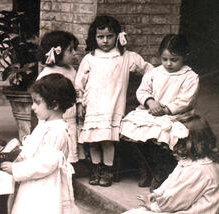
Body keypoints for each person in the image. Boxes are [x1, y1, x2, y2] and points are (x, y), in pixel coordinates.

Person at [75, 15, 154, 187]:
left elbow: (149, 70)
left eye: (109, 36)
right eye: (100, 37)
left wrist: (149, 90)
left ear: (118, 36)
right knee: (93, 141)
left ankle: (108, 170)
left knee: (107, 140)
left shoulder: (126, 57)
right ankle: (96, 168)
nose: (104, 41)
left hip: (112, 105)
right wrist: (80, 102)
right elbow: (79, 83)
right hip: (93, 106)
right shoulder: (90, 58)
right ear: (94, 37)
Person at [120, 34, 199, 189]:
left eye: (174, 60)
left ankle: (159, 171)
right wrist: (150, 101)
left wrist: (165, 109)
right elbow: (142, 91)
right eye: (165, 59)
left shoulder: (190, 76)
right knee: (130, 126)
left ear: (185, 57)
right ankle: (145, 167)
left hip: (176, 115)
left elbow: (185, 100)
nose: (168, 64)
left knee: (160, 132)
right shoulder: (154, 73)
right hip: (151, 111)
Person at [1, 74, 77, 214]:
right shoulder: (44, 124)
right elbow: (32, 148)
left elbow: (46, 163)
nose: (32, 107)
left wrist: (16, 168)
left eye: (37, 102)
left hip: (45, 186)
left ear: (54, 104)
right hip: (32, 180)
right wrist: (18, 154)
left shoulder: (57, 131)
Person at [124, 116, 219, 214]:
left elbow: (179, 199)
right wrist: (158, 193)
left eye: (179, 141)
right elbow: (172, 180)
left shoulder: (198, 169)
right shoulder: (193, 162)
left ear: (190, 142)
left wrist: (155, 206)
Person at [36, 30, 82, 163]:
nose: (74, 53)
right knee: (56, 144)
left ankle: (71, 165)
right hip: (54, 117)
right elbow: (42, 100)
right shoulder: (47, 75)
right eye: (70, 50)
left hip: (70, 115)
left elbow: (77, 88)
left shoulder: (70, 70)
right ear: (58, 52)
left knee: (71, 140)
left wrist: (79, 103)